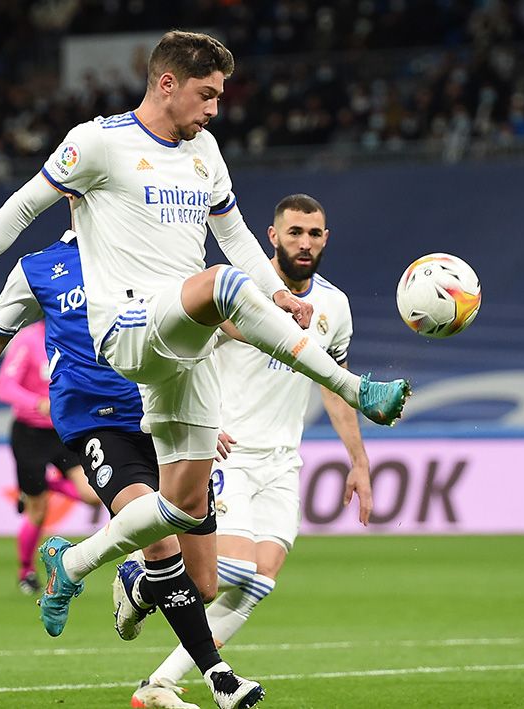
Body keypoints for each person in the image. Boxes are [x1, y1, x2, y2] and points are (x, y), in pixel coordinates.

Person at [0, 30, 410, 708]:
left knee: (180, 509)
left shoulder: (205, 152)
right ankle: (358, 385)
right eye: (207, 94)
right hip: (129, 328)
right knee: (219, 285)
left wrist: (282, 296)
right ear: (167, 83)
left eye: (220, 96)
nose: (215, 109)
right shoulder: (98, 142)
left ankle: (75, 560)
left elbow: (235, 235)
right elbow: (23, 205)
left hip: (185, 353)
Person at [0, 232, 246, 707]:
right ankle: (219, 677)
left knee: (203, 584)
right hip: (99, 423)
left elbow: (206, 328)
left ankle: (136, 584)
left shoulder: (155, 248)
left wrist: (202, 417)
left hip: (167, 418)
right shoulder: (38, 269)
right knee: (159, 537)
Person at [129, 194, 375, 709]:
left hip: (283, 462)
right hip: (227, 454)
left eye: (313, 233)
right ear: (272, 236)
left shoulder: (335, 306)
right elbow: (181, 353)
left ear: (325, 238)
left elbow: (335, 386)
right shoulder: (240, 294)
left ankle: (158, 685)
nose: (304, 243)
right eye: (294, 233)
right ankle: (142, 570)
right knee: (226, 575)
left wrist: (358, 461)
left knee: (258, 581)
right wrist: (196, 422)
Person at [0, 318, 99, 594]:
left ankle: (40, 485)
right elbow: (4, 387)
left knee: (93, 495)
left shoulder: (75, 337)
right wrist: (37, 402)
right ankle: (26, 571)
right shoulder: (28, 340)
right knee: (38, 512)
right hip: (30, 435)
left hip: (64, 431)